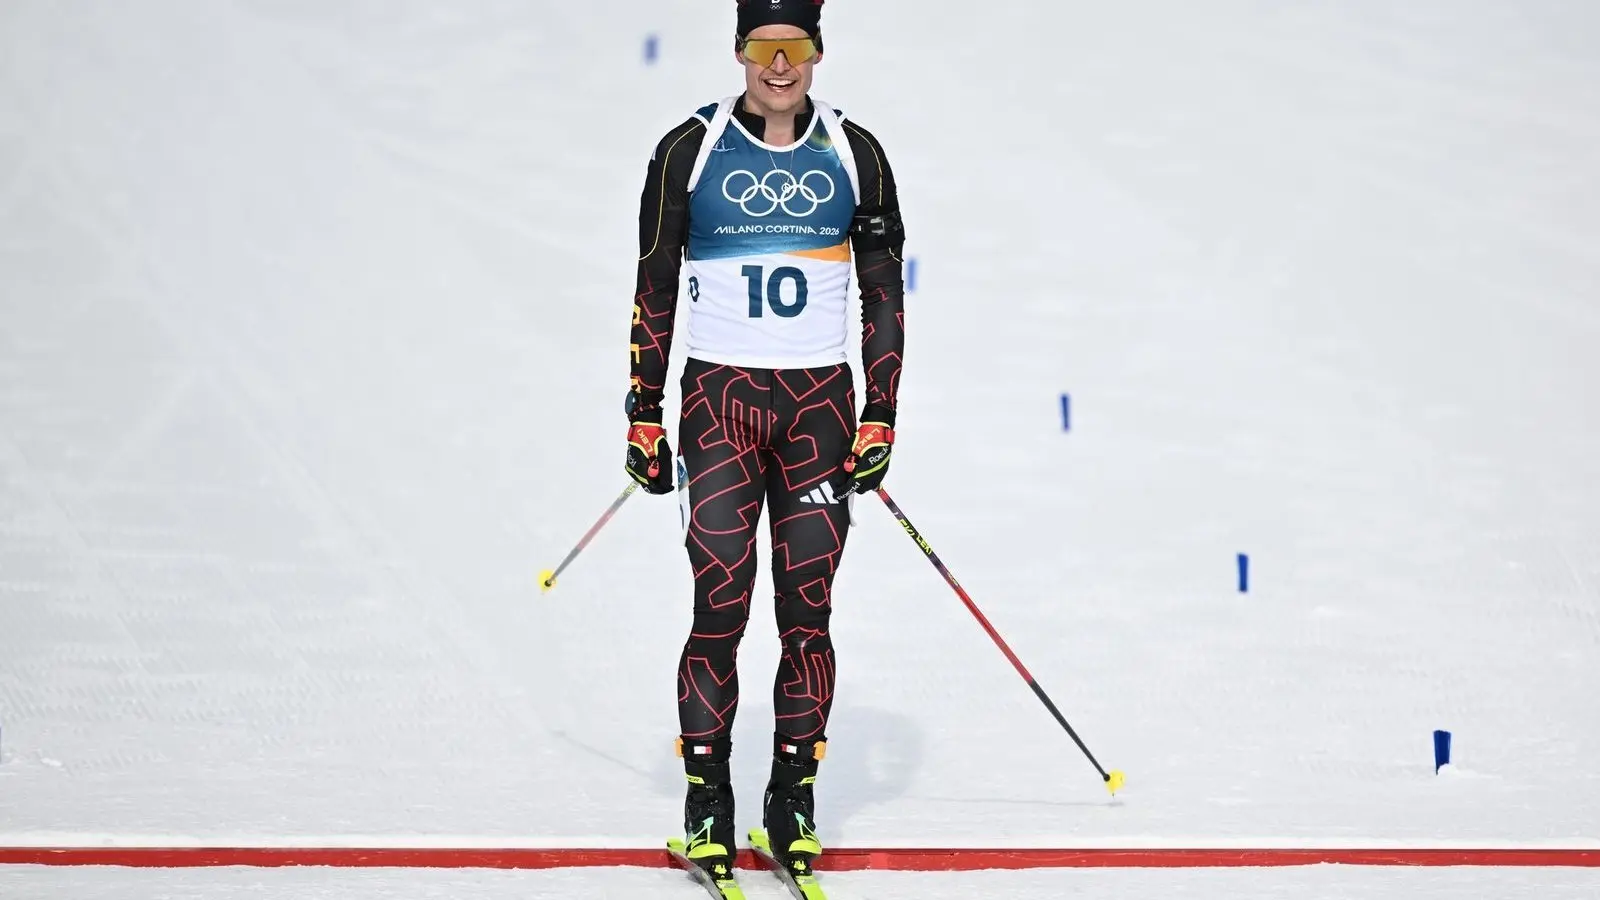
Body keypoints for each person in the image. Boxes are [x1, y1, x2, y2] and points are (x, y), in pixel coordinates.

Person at [623, 0, 907, 886]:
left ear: (817, 51)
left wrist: (881, 411)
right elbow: (654, 282)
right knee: (720, 606)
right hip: (720, 408)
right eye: (762, 47)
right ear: (739, 50)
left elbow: (883, 292)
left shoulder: (855, 154)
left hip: (819, 411)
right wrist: (643, 408)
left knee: (806, 614)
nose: (778, 66)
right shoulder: (690, 149)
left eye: (793, 48)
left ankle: (793, 799)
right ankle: (708, 802)